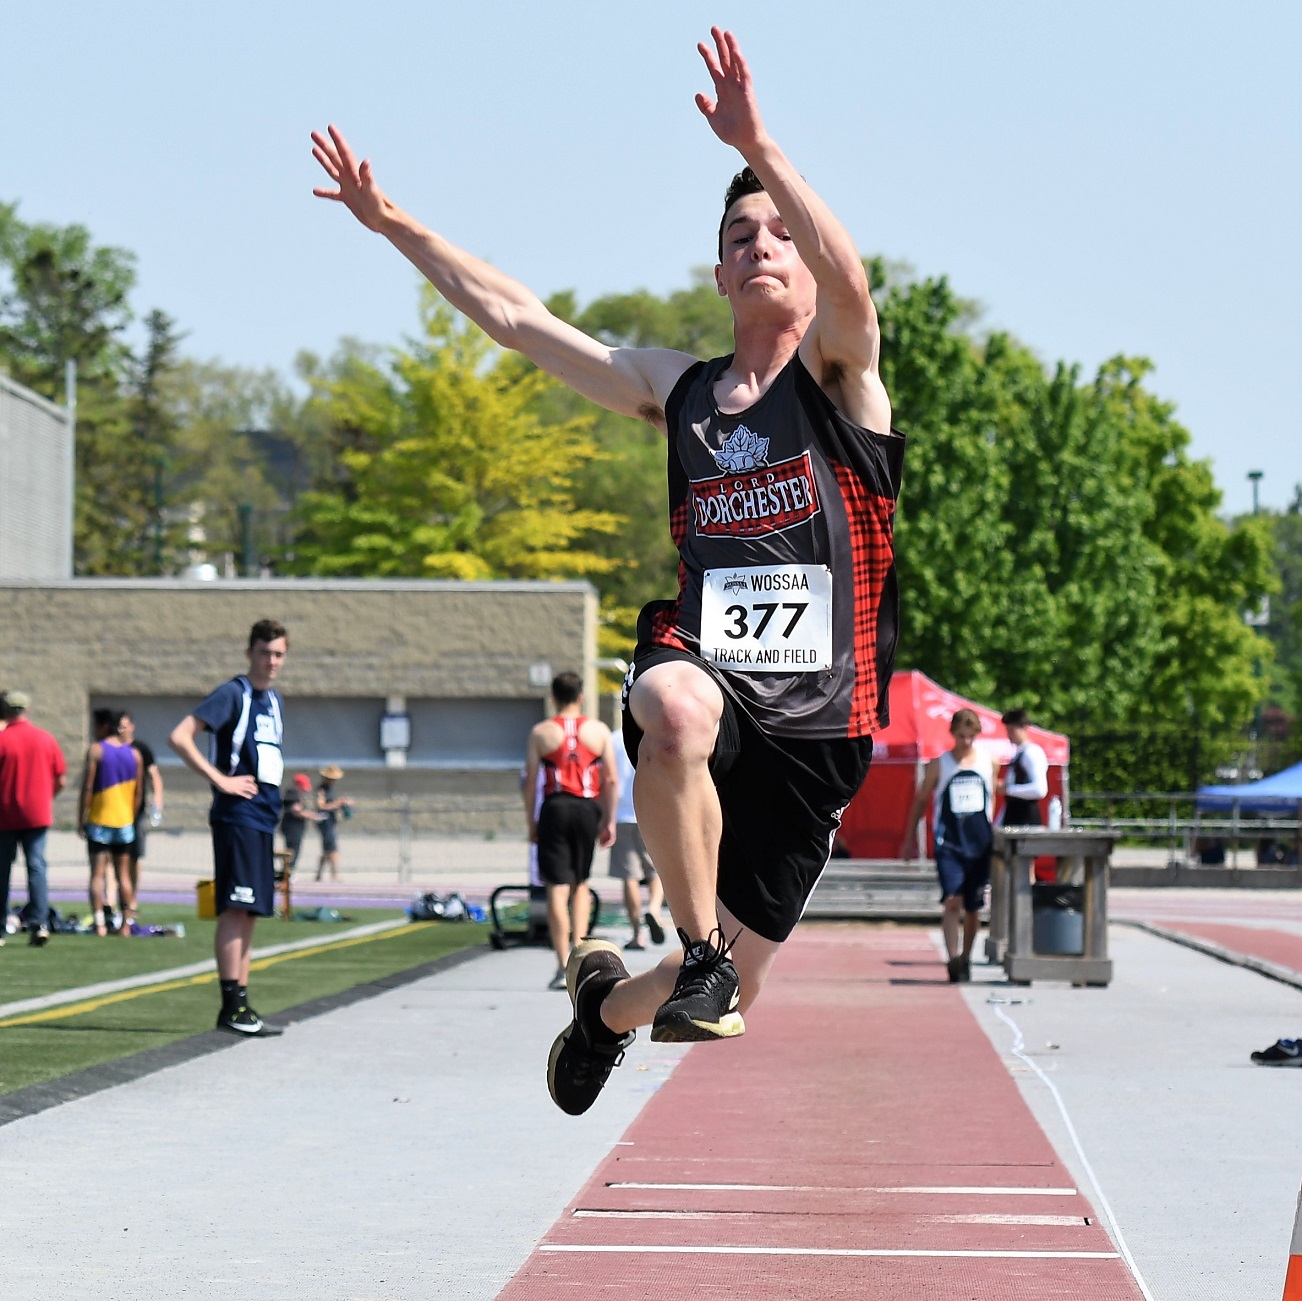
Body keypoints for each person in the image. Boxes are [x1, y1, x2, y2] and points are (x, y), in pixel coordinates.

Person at [313, 25, 902, 1116]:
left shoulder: (841, 380)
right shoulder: (676, 391)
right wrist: (391, 221)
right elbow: (518, 319)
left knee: (720, 1000)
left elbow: (855, 282)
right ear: (719, 270)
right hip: (708, 675)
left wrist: (760, 144)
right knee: (673, 709)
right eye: (740, 233)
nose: (764, 243)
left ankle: (603, 1007)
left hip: (820, 721)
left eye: (782, 228)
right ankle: (694, 941)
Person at [169, 619, 288, 1037]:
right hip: (237, 814)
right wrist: (220, 780)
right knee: (236, 908)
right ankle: (230, 1005)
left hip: (262, 816)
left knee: (253, 911)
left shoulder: (274, 701)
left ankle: (243, 1002)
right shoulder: (232, 693)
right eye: (264, 652)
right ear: (249, 653)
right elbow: (180, 737)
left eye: (278, 654)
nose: (271, 661)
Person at [523, 673, 618, 989]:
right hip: (585, 807)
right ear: (581, 696)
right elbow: (611, 780)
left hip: (556, 807)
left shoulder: (541, 732)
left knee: (556, 887)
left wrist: (531, 822)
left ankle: (562, 963)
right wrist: (609, 820)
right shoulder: (599, 730)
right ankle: (579, 959)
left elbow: (530, 783)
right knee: (581, 883)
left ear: (553, 698)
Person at [900, 708, 994, 983]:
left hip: (979, 845)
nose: (965, 742)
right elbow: (920, 801)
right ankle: (952, 959)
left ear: (976, 735)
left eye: (970, 737)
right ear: (953, 734)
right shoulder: (939, 765)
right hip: (949, 843)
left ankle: (966, 956)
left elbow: (992, 801)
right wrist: (908, 840)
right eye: (961, 736)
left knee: (974, 907)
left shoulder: (989, 762)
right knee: (952, 900)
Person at [0, 690, 67, 948]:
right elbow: (60, 778)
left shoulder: (3, 740)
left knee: (2, 871)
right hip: (37, 815)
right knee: (37, 868)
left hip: (5, 815)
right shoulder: (45, 739)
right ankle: (39, 923)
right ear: (26, 710)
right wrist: (44, 797)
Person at [78, 708, 143, 937]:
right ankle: (126, 924)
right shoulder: (135, 754)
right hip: (124, 822)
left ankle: (100, 923)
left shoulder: (96, 750)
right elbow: (138, 793)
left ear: (104, 727)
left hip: (99, 820)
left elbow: (88, 786)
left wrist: (81, 816)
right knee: (123, 875)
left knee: (97, 874)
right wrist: (131, 818)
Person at [609, 728, 666, 951]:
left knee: (629, 876)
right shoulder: (654, 735)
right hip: (650, 811)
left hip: (622, 814)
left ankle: (636, 934)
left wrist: (607, 816)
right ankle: (653, 908)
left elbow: (608, 779)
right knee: (656, 870)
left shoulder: (613, 739)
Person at [118, 710, 164, 896]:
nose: (121, 730)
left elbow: (154, 777)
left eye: (124, 725)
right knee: (116, 858)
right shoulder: (112, 748)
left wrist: (157, 802)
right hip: (117, 811)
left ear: (132, 726)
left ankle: (133, 897)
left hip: (136, 812)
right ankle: (113, 900)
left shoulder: (141, 749)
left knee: (134, 857)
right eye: (118, 726)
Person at [999, 708, 1048, 827]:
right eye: (1008, 730)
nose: (1009, 735)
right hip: (1014, 818)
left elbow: (1040, 790)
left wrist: (1009, 789)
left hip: (1026, 820)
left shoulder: (1032, 753)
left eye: (1012, 730)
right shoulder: (1019, 754)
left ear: (1024, 727)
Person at [314, 765, 351, 881]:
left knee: (326, 849)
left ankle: (319, 874)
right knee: (333, 848)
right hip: (324, 821)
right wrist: (338, 803)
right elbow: (321, 805)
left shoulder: (330, 789)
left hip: (330, 821)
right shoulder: (321, 789)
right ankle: (335, 874)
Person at [280, 773, 316, 873]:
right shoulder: (291, 794)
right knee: (292, 850)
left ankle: (289, 871)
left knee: (295, 850)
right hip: (291, 827)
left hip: (297, 827)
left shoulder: (298, 795)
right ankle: (287, 872)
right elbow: (297, 811)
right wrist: (311, 816)